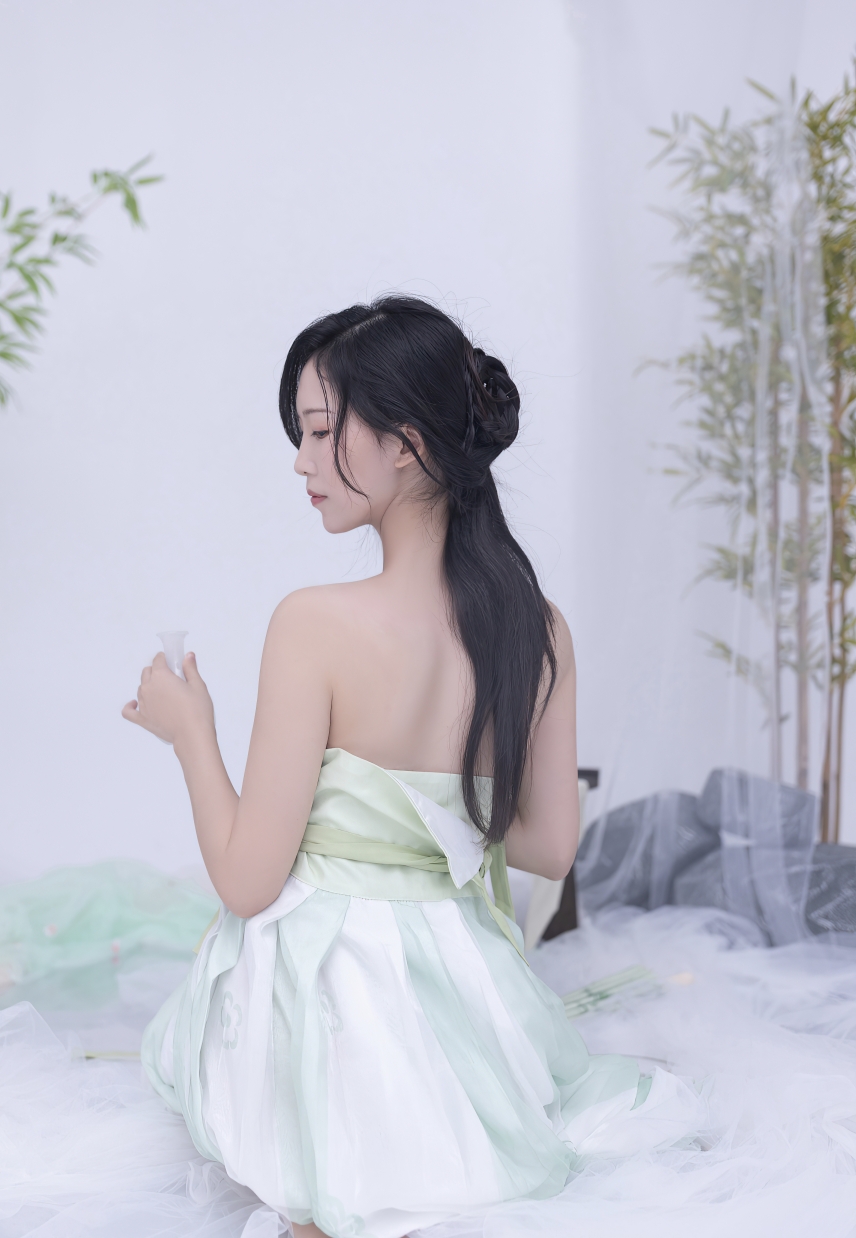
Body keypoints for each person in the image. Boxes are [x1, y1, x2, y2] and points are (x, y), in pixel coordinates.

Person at [122, 296, 691, 1238]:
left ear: (406, 444)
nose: (301, 462)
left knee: (332, 1171)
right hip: (457, 993)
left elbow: (248, 882)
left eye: (319, 432)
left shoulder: (314, 623)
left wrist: (192, 734)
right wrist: (437, 808)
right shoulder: (539, 629)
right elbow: (550, 847)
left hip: (323, 1003)